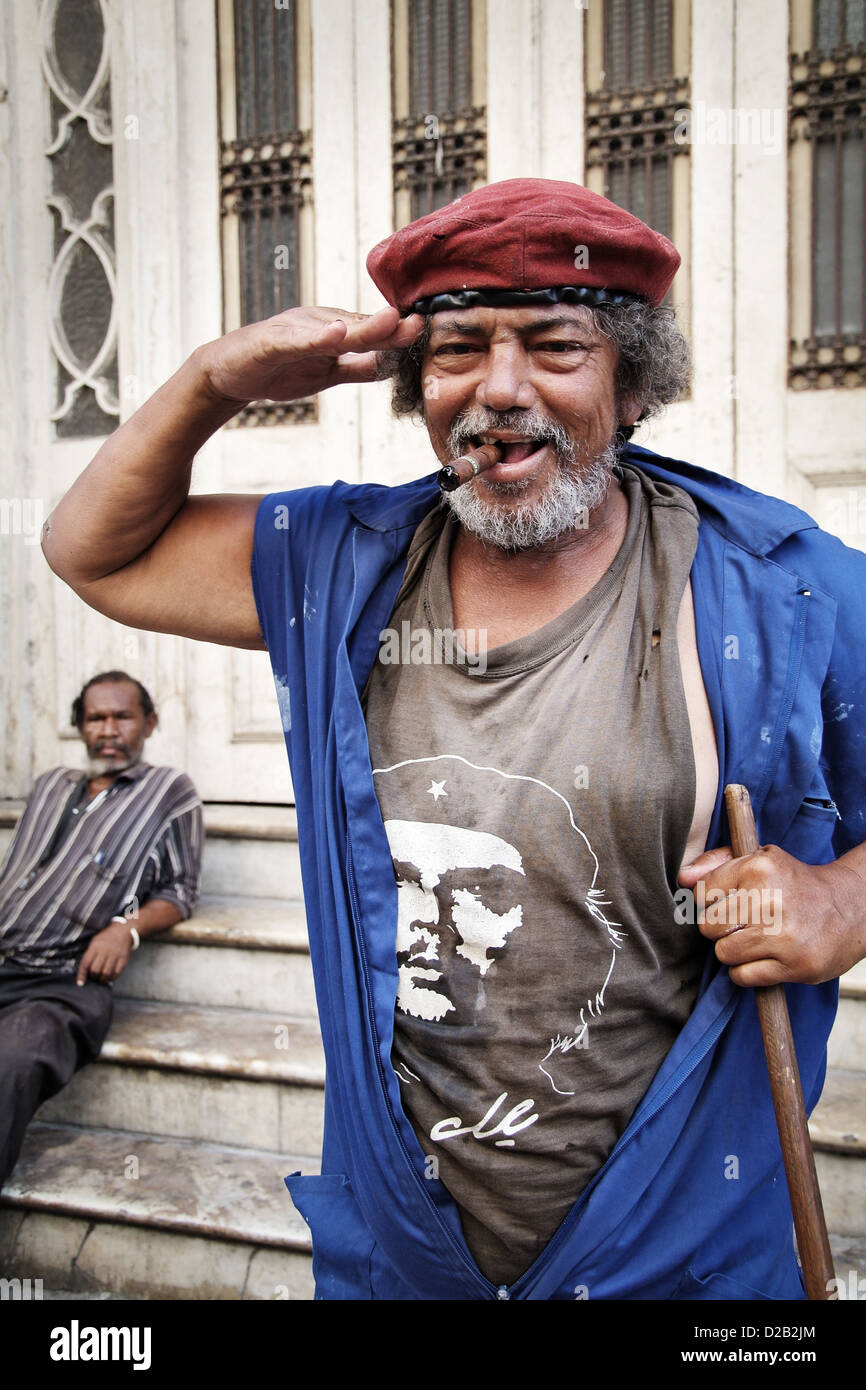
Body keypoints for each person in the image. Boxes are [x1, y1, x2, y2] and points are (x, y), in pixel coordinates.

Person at [40, 179, 866, 1300]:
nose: (500, 389)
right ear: (414, 383)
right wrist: (211, 383)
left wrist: (837, 903)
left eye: (554, 344)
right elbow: (96, 551)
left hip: (684, 1261)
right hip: (403, 1260)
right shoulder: (343, 562)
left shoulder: (781, 588)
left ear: (630, 382)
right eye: (457, 350)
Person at [0, 670, 203, 1191]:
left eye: (122, 717)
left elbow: (179, 891)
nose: (108, 730)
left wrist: (125, 930)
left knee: (13, 1063)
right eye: (96, 718)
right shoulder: (50, 785)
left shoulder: (168, 791)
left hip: (60, 985)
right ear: (80, 726)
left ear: (149, 723)